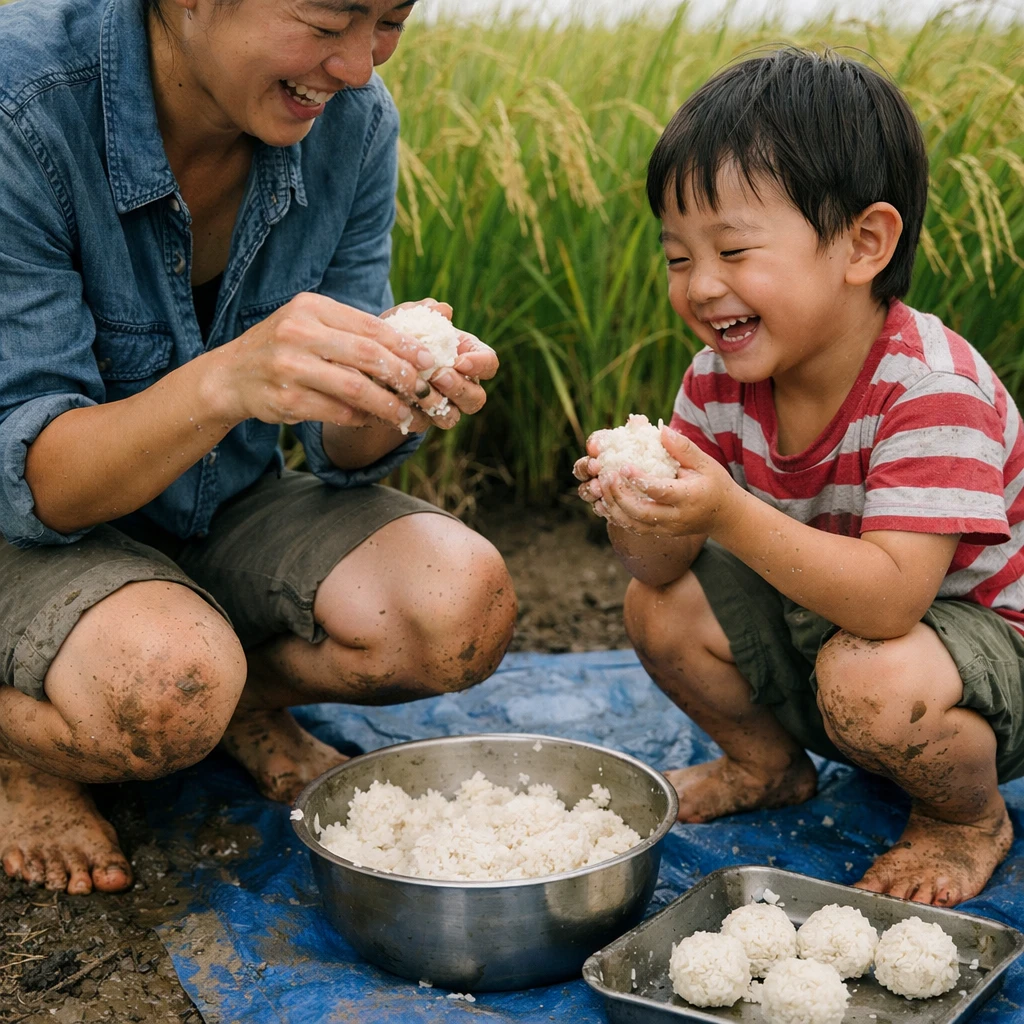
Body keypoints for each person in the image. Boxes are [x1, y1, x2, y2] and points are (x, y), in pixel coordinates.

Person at [0, 0, 518, 897]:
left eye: (389, 21)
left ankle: (232, 693)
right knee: (163, 687)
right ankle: (16, 750)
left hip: (220, 500)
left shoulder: (353, 124)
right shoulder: (23, 104)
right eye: (328, 22)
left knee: (456, 610)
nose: (359, 65)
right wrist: (226, 381)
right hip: (30, 526)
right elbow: (39, 485)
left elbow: (337, 452)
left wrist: (396, 388)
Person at [575, 48, 1022, 907]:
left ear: (863, 244)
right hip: (835, 639)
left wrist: (728, 513)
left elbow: (892, 602)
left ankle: (967, 819)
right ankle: (769, 765)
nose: (702, 287)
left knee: (872, 676)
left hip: (973, 659)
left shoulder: (929, 389)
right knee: (656, 606)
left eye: (734, 250)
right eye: (677, 257)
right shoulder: (716, 381)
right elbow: (661, 571)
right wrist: (638, 512)